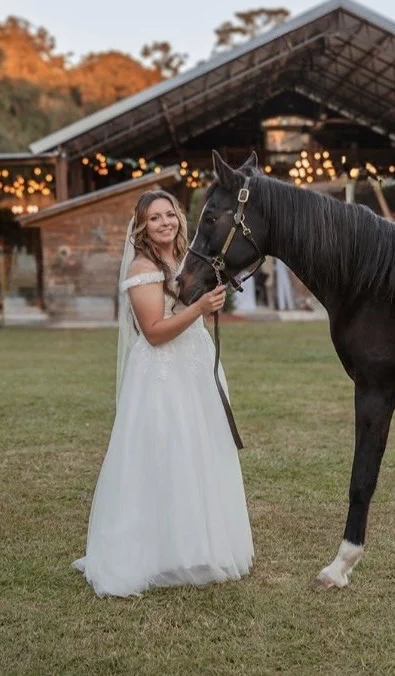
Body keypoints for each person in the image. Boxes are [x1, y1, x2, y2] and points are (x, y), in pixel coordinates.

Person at [72, 189, 254, 596]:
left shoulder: (188, 259)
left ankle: (198, 547)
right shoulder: (141, 268)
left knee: (200, 454)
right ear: (142, 226)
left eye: (169, 215)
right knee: (165, 456)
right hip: (163, 376)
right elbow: (154, 333)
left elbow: (194, 311)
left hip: (195, 369)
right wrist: (198, 308)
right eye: (154, 218)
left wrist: (211, 304)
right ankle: (155, 552)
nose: (165, 223)